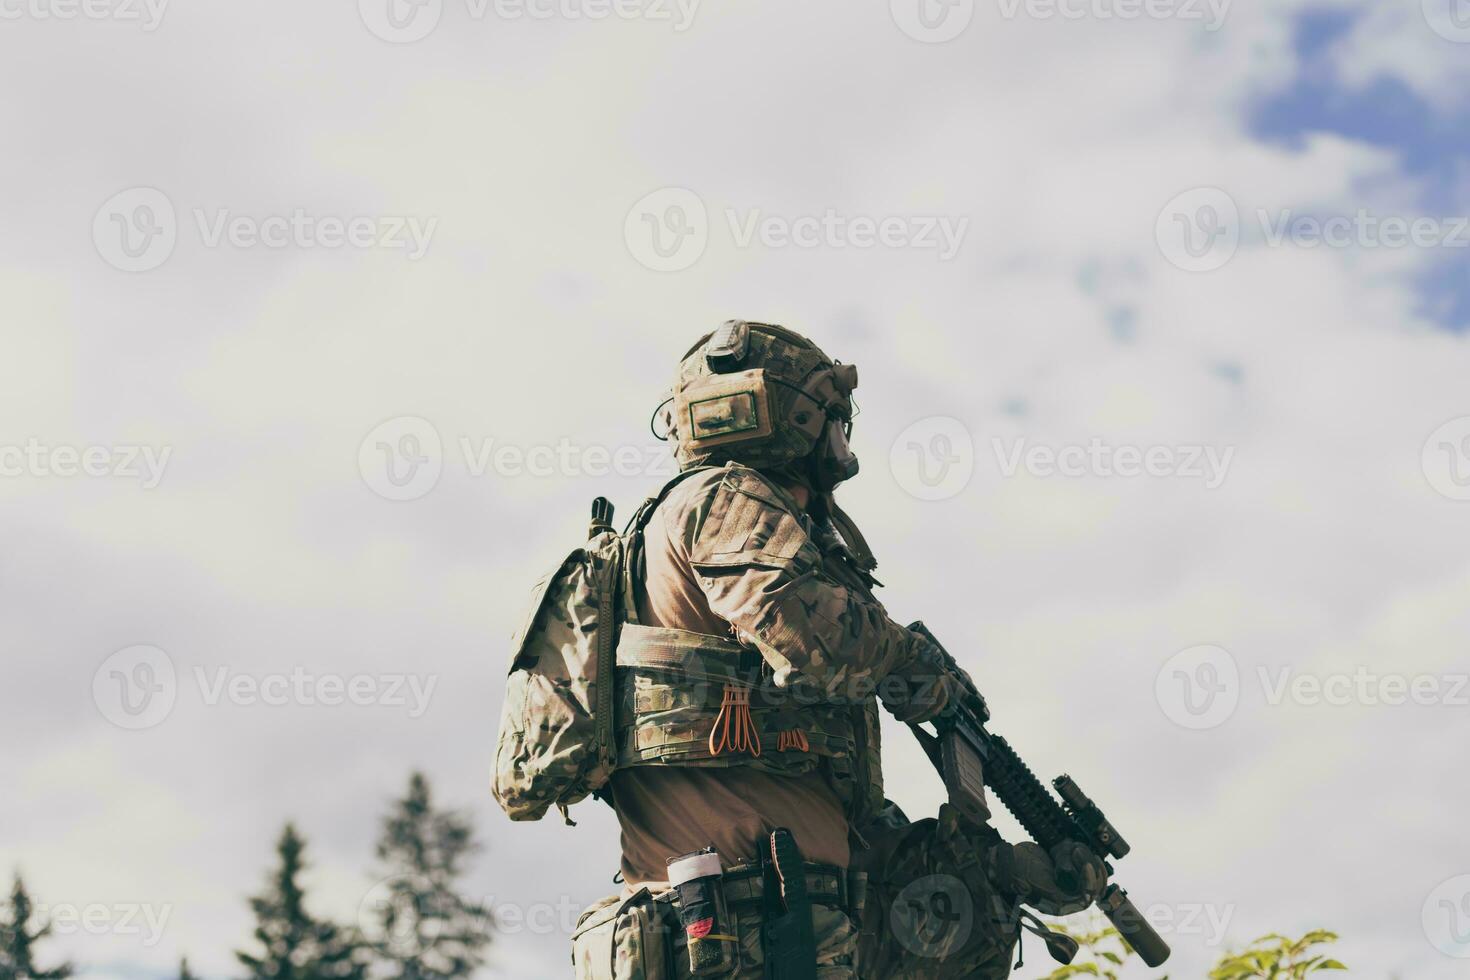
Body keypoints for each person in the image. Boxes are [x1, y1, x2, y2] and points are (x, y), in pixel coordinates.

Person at [568, 321, 1104, 979]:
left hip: (792, 927)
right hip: (733, 935)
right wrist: (920, 669)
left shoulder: (737, 551)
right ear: (797, 421)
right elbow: (815, 635)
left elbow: (861, 832)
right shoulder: (721, 500)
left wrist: (1000, 870)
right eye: (834, 421)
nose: (843, 445)